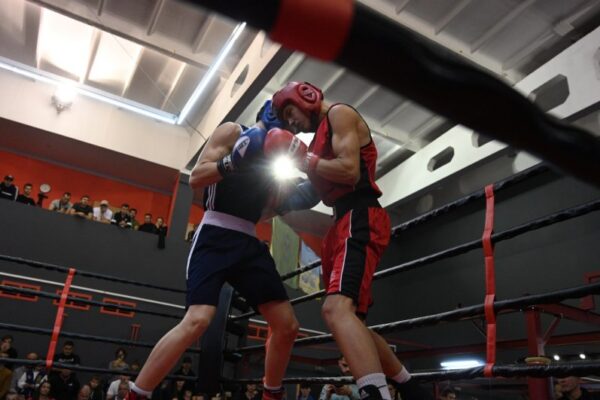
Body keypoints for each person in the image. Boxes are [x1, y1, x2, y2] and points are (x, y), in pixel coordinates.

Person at [129, 100, 300, 400]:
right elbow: (196, 177)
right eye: (290, 117)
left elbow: (263, 213)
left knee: (286, 326)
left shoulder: (275, 157)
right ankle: (136, 394)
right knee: (198, 319)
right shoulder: (233, 131)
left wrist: (291, 199)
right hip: (216, 233)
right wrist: (232, 161)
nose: (293, 125)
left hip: (249, 241)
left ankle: (271, 395)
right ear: (273, 111)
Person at [272, 82, 431, 400]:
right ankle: (413, 390)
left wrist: (306, 162)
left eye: (290, 112)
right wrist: (275, 202)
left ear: (306, 97)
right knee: (353, 322)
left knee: (335, 310)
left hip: (360, 215)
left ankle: (377, 394)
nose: (291, 122)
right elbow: (314, 192)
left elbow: (349, 171)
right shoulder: (317, 144)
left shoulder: (339, 114)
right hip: (339, 224)